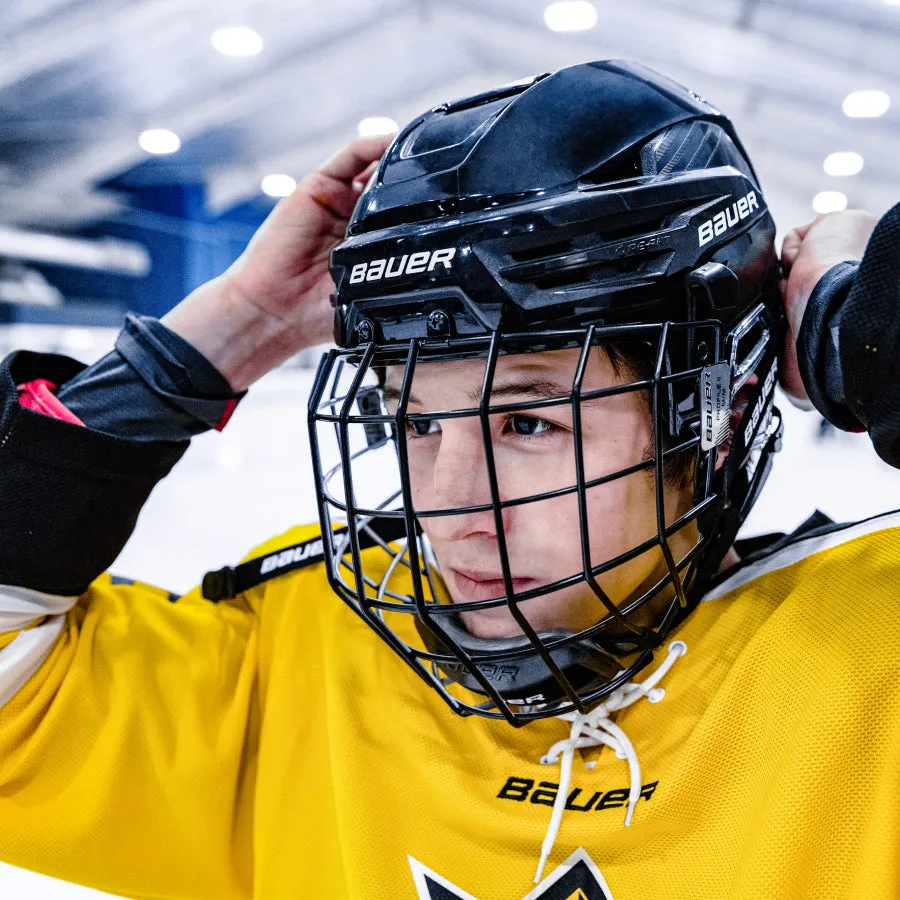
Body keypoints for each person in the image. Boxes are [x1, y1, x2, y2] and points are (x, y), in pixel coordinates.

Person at [0, 59, 896, 900]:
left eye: (529, 420)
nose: (452, 504)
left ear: (722, 408)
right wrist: (232, 328)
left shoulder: (867, 660)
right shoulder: (305, 655)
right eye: (417, 421)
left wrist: (878, 334)